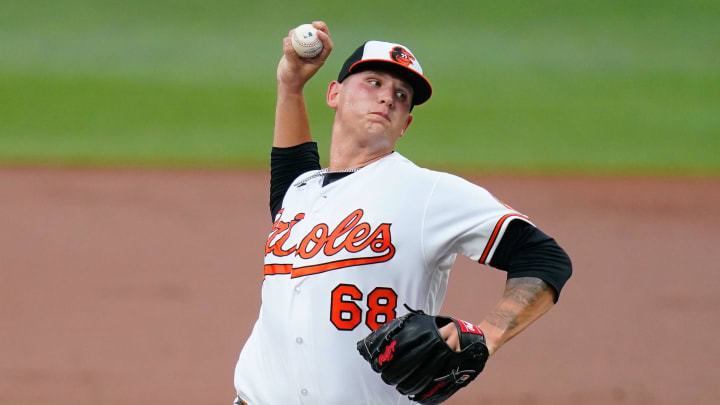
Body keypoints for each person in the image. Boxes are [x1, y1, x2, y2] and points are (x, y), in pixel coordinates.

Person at [233, 21, 572, 404]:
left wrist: (486, 337)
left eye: (401, 94)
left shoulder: (428, 193)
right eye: (373, 82)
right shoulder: (301, 191)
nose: (388, 98)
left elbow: (545, 257)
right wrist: (291, 85)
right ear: (334, 93)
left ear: (406, 123)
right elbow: (290, 170)